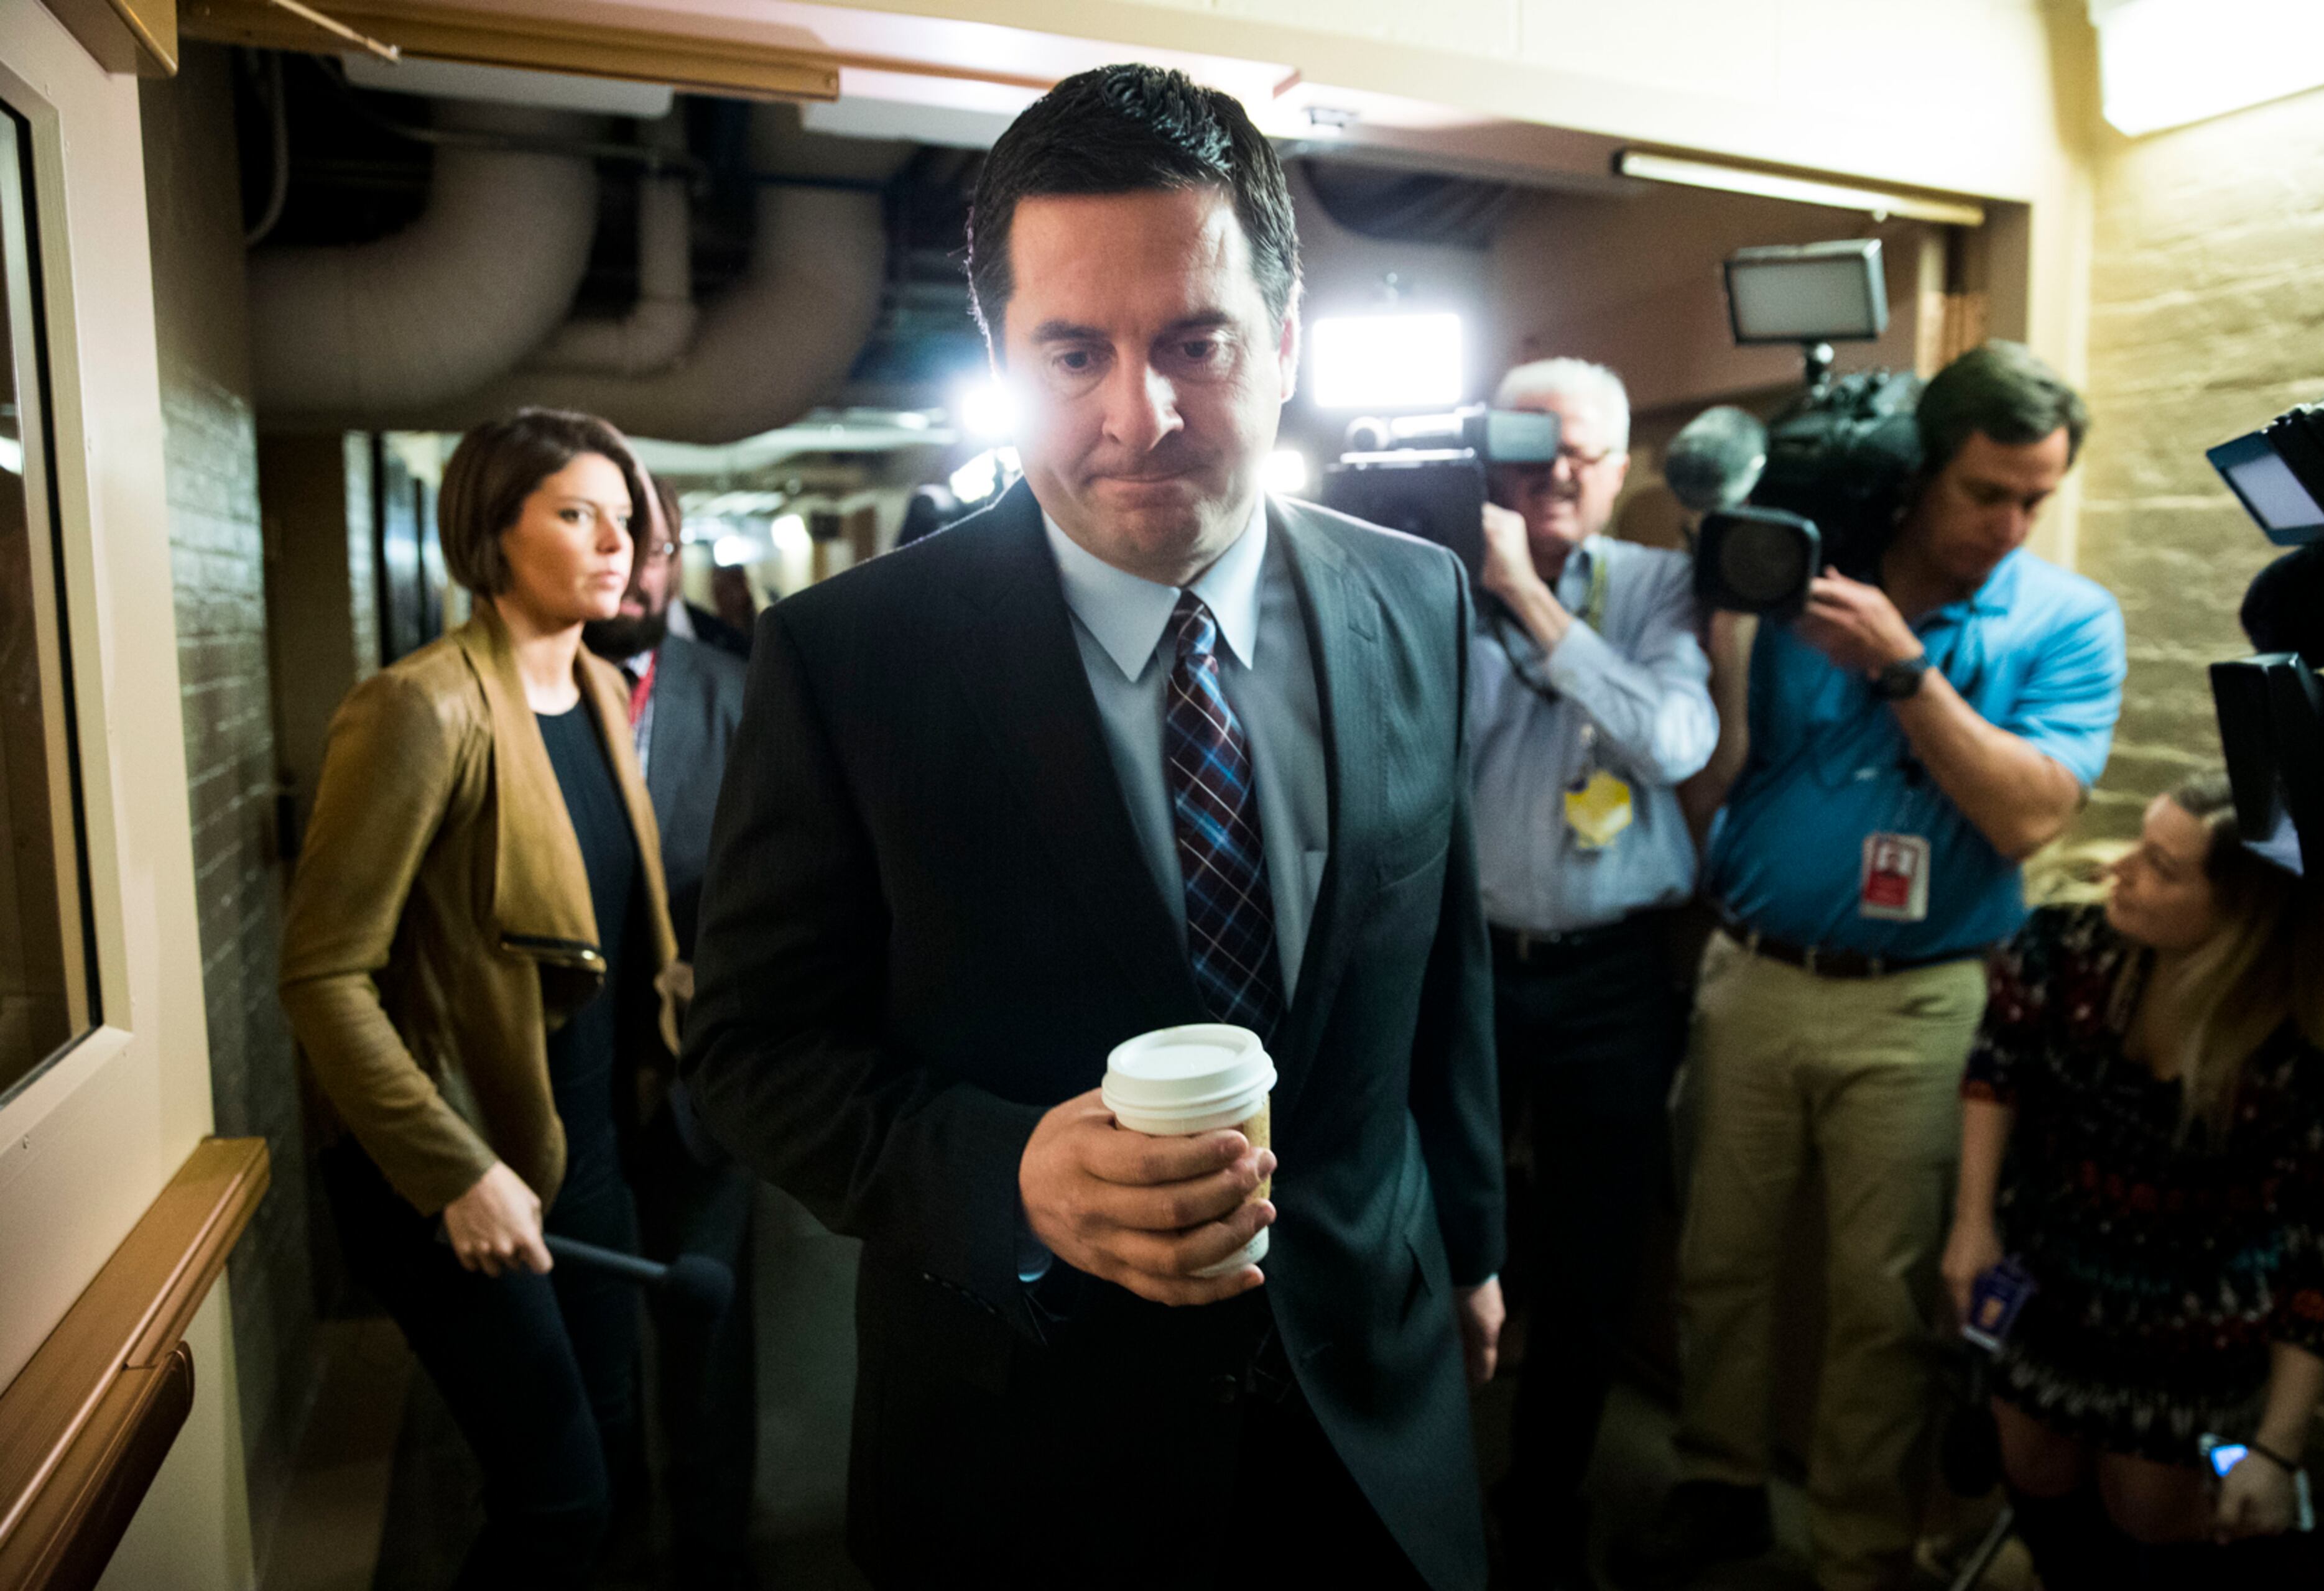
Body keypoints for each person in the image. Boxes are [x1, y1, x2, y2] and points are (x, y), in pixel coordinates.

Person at [683, 63, 1504, 1591]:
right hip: (1028, 1443)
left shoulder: (1417, 594)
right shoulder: (854, 658)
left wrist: (1467, 1246)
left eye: (1199, 339)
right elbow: (746, 1049)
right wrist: (1006, 1177)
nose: (1147, 416)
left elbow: (1439, 953)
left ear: (1287, 338)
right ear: (1001, 349)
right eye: (1075, 352)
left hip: (1375, 1414)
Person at [1615, 341, 2128, 1591]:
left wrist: (1906, 668)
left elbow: (2027, 814)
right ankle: (1721, 1482)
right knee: (1721, 1259)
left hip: (1926, 1002)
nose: (2009, 524)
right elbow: (1713, 765)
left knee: (1884, 1298)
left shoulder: (2065, 620)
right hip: (1752, 971)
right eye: (1984, 492)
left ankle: (1854, 1546)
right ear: (1915, 477)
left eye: (2035, 498)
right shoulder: (1787, 588)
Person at [280, 408, 679, 1587]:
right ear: (493, 534)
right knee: (555, 1500)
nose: (617, 542)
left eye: (626, 517)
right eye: (575, 514)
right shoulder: (420, 706)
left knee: (610, 1454)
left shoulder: (603, 690)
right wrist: (453, 1170)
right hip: (460, 1156)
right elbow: (321, 972)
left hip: (584, 1147)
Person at [1942, 771, 2324, 1587]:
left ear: (2253, 919)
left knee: (2151, 1516)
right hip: (2042, 1290)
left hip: (2196, 1341)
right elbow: (1995, 1065)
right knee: (2037, 1480)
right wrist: (1974, 1223)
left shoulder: (2322, 1059)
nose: (2118, 869)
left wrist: (2276, 1450)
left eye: (2162, 866)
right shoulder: (2069, 947)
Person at [1467, 357, 1716, 1586]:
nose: (1556, 471)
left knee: (1590, 1252)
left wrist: (1536, 600)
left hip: (1613, 973)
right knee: (1433, 1225)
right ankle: (1419, 1481)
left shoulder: (1666, 586)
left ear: (1624, 470)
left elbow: (1674, 740)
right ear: (1489, 446)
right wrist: (1485, 591)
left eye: (1586, 452)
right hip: (1460, 966)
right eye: (1531, 441)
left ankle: (1547, 1500)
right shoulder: (1429, 581)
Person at [581, 475, 756, 1590]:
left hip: (708, 1082)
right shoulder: (512, 692)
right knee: (592, 1350)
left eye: (662, 550)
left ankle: (714, 1555)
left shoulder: (743, 693)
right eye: (619, 545)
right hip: (566, 1085)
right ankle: (603, 1534)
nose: (642, 573)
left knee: (710, 1331)